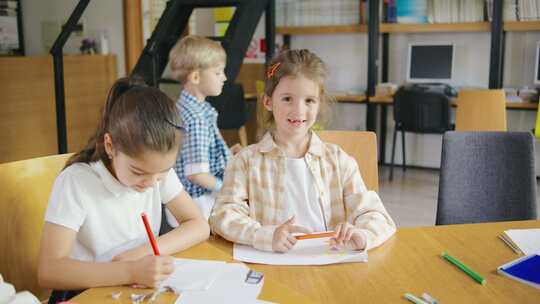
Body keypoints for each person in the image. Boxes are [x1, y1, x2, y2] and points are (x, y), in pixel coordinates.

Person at [38, 77, 210, 303]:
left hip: (135, 286)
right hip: (85, 291)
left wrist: (143, 253)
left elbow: (198, 225)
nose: (151, 183)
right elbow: (49, 271)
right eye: (138, 172)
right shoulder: (77, 182)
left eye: (162, 173)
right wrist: (130, 270)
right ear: (110, 146)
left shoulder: (156, 172)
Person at [209, 49, 396, 253]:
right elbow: (223, 214)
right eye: (287, 98)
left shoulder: (339, 160)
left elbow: (377, 216)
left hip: (329, 263)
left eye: (309, 100)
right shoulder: (245, 160)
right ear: (268, 101)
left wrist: (361, 235)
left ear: (319, 103)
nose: (298, 110)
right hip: (272, 265)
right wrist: (265, 236)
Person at [167, 35, 241, 221]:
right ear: (196, 77)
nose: (224, 78)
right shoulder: (195, 118)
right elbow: (196, 174)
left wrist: (226, 155)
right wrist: (228, 190)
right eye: (218, 72)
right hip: (199, 204)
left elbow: (194, 156)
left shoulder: (187, 108)